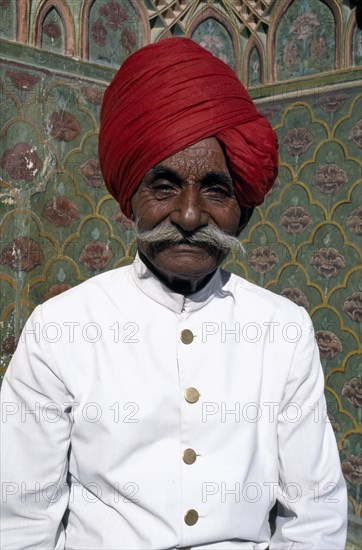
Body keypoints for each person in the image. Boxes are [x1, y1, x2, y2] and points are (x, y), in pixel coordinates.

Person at [0, 38, 347, 549]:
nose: (188, 216)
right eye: (163, 187)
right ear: (129, 201)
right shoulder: (60, 329)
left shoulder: (282, 330)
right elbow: (22, 520)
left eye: (215, 189)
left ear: (243, 209)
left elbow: (315, 515)